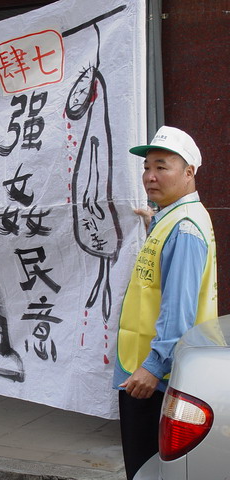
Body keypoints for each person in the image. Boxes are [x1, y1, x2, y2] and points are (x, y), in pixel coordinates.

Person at [114, 126, 217, 479]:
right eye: (147, 167)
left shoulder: (183, 229)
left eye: (162, 166)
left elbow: (179, 309)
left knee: (148, 471)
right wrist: (152, 221)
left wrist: (154, 367)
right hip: (147, 373)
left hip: (155, 380)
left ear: (189, 172)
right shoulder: (171, 217)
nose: (150, 176)